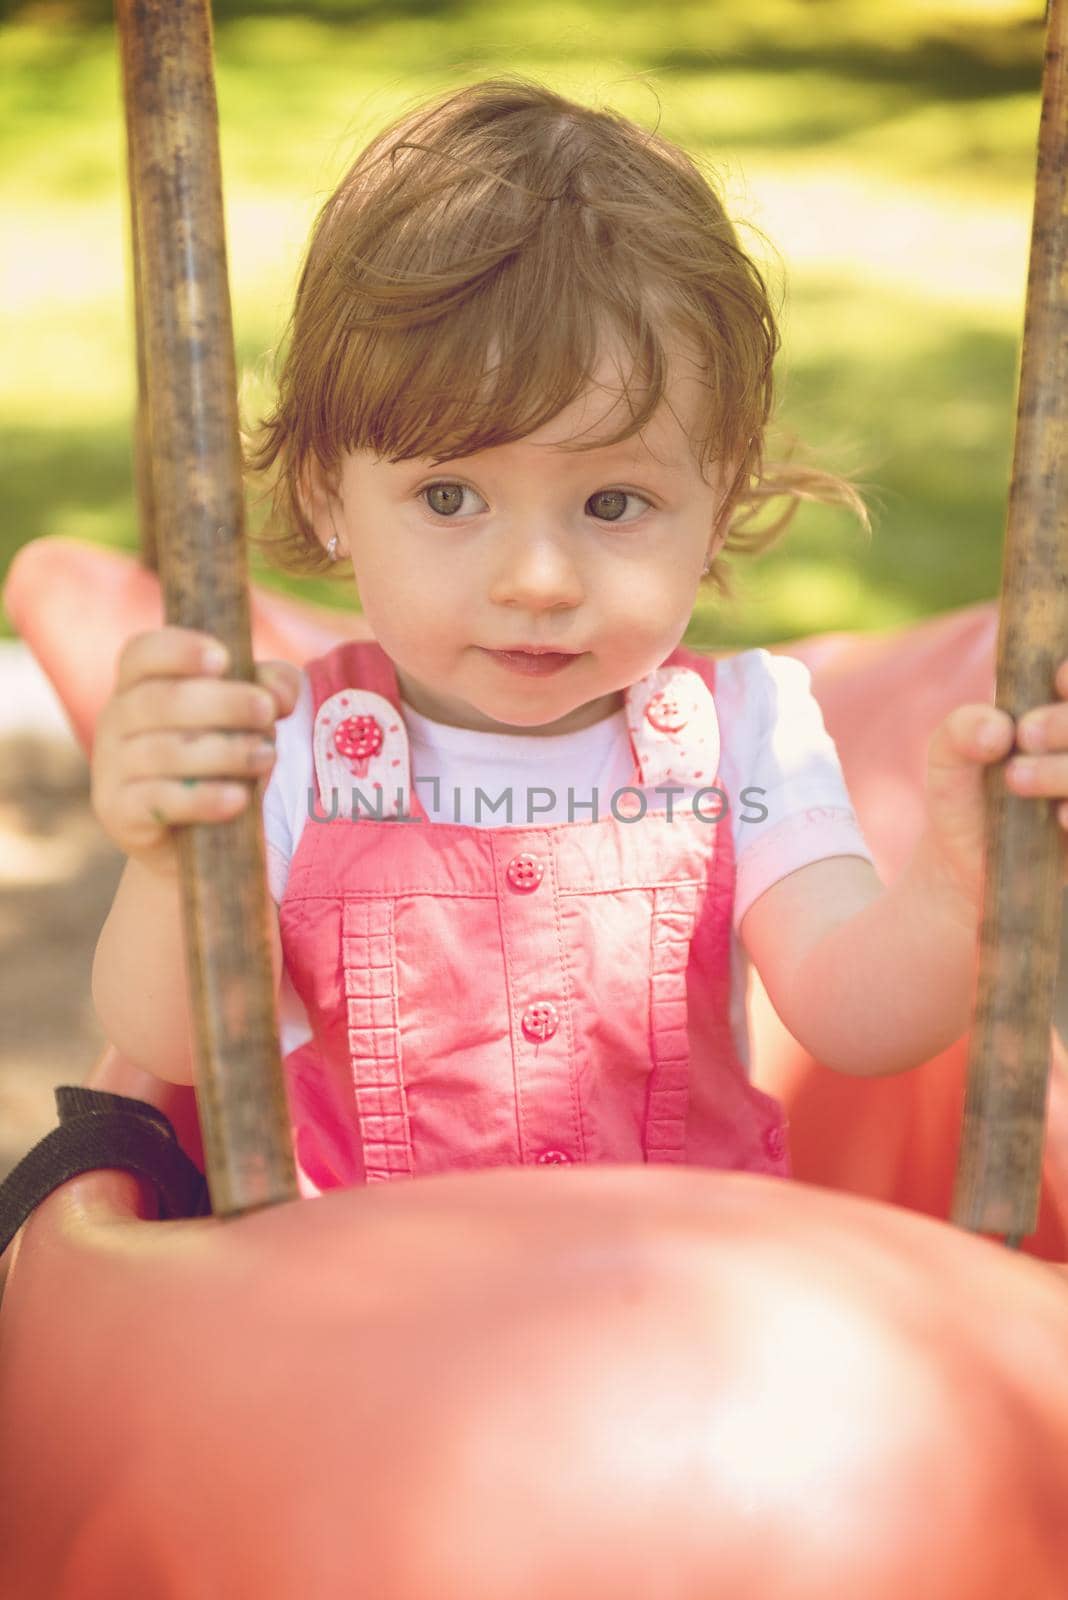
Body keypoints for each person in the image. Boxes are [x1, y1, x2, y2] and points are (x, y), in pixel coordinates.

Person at [89, 78, 1068, 1193]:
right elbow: (173, 1043)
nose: (540, 581)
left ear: (719, 502)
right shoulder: (288, 743)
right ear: (324, 494)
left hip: (675, 1312)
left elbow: (857, 1017)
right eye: (452, 497)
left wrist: (959, 887)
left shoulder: (740, 735)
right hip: (368, 1324)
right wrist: (171, 864)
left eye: (613, 504)